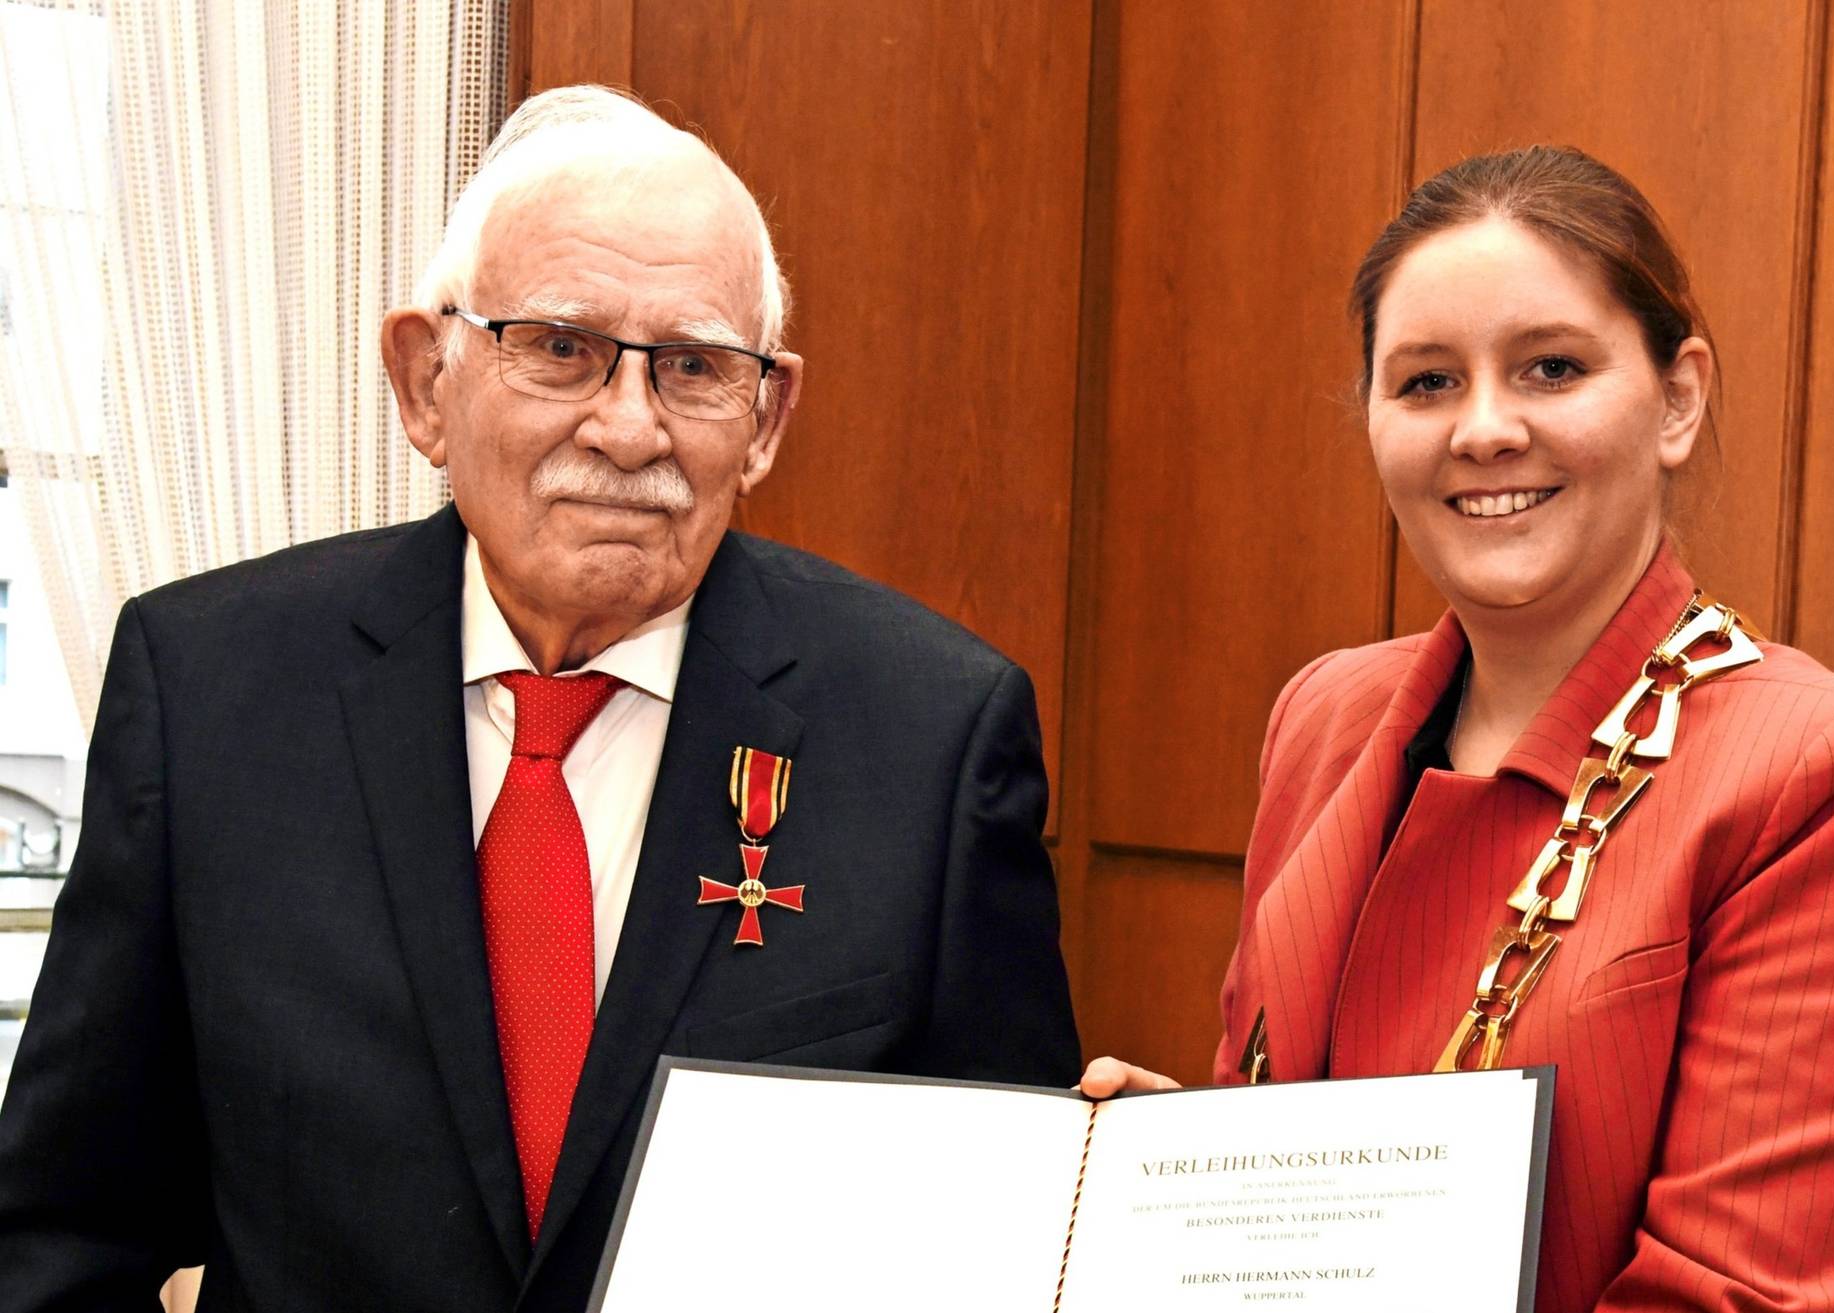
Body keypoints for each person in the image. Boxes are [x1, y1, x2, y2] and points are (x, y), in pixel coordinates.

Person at [0, 85, 1078, 1310]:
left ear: (765, 418)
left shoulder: (934, 738)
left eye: (693, 366)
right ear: (426, 381)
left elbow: (1012, 1247)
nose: (629, 429)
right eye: (561, 347)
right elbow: (61, 1235)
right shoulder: (212, 696)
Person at [1084, 147, 1834, 1312]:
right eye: (1427, 382)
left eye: (1552, 368)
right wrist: (1181, 1209)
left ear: (1678, 398)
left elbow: (1735, 1295)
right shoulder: (1324, 717)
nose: (1485, 429)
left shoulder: (1833, 770)